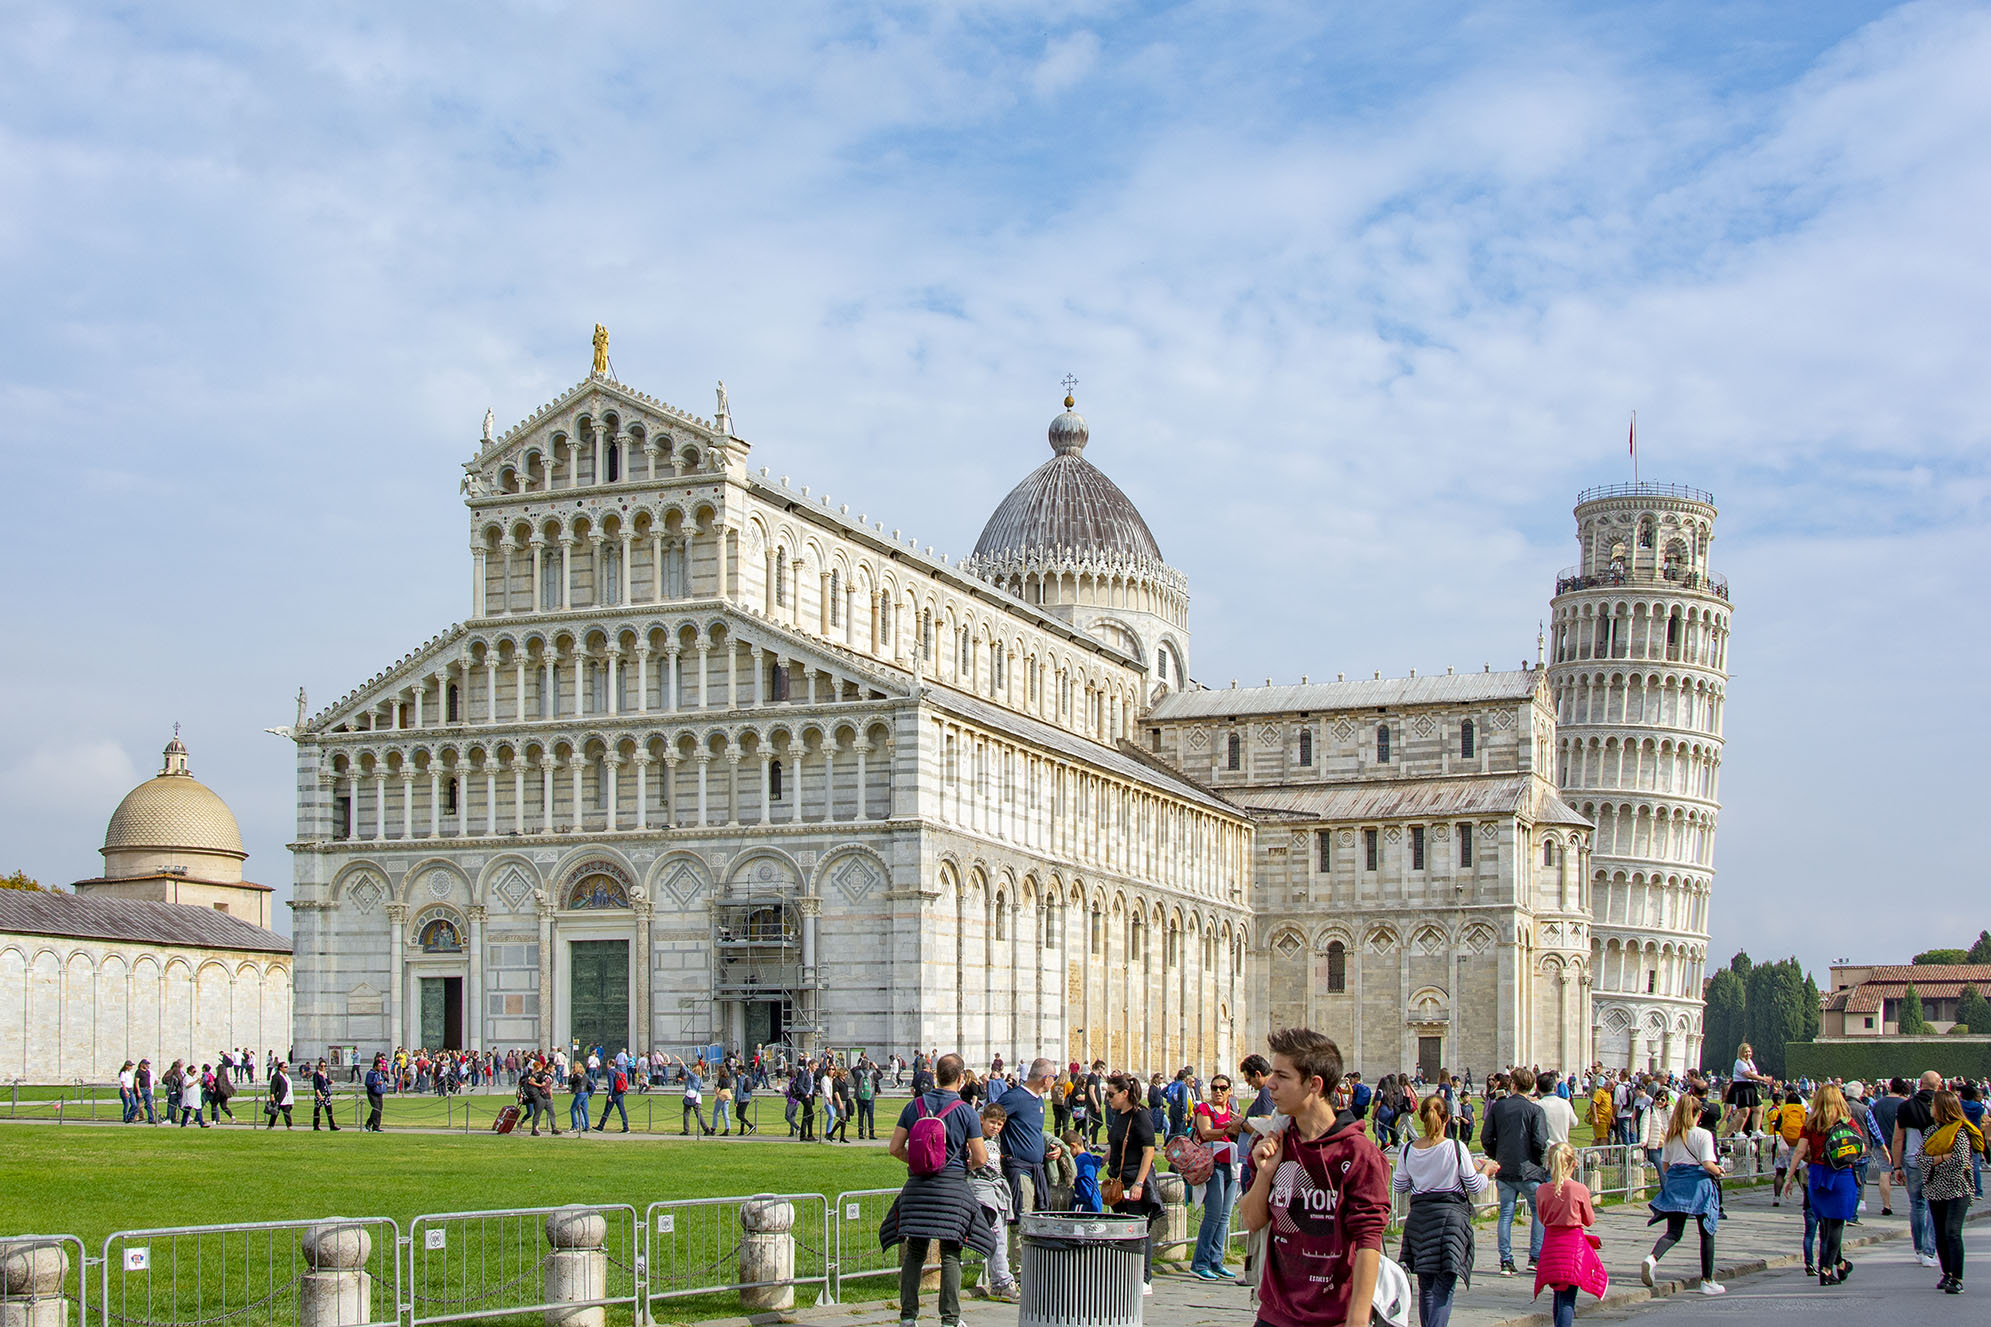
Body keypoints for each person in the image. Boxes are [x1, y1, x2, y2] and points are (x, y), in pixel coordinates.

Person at [1240, 1028, 1389, 1327]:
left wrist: (1357, 1319)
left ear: (1314, 1084)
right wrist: (1265, 1175)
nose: (1270, 1084)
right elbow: (1252, 1221)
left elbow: (1368, 1240)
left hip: (1332, 1316)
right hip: (1274, 1314)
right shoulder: (1274, 1144)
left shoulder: (1358, 1154)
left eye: (1282, 1076)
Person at [880, 1053, 997, 1327]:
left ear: (935, 1076)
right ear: (960, 1078)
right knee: (951, 1253)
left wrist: (920, 1162)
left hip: (917, 1189)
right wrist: (961, 1166)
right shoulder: (966, 1111)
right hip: (951, 1189)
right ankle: (950, 1318)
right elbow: (981, 1157)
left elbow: (895, 1148)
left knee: (915, 1252)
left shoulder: (914, 1106)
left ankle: (908, 1317)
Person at [1395, 1094, 1496, 1326]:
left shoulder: (1409, 1149)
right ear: (1448, 1118)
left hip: (1420, 1219)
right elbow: (1474, 1185)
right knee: (1444, 1287)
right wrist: (1487, 1171)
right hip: (1450, 1219)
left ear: (1420, 1117)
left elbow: (1400, 1186)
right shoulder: (1455, 1147)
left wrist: (1421, 1178)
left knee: (1426, 1287)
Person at [1640, 1091, 1725, 1295]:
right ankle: (1707, 1279)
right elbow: (1707, 1163)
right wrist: (1719, 1170)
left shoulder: (1672, 1134)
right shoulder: (1703, 1134)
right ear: (1697, 1115)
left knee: (1674, 1232)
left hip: (1676, 1183)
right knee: (1706, 1232)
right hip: (1698, 1185)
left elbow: (1666, 1165)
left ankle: (1652, 1258)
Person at [1787, 1082, 1859, 1287]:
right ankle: (1826, 1270)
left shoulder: (1811, 1124)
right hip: (1841, 1174)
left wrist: (1789, 1177)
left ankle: (1841, 1264)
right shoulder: (1847, 1123)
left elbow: (1800, 1152)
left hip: (1817, 1175)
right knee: (1836, 1225)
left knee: (1825, 1225)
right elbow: (1858, 1149)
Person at [1481, 1065, 1549, 1276]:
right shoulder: (1535, 1110)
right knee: (1538, 1213)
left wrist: (1495, 1154)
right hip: (1529, 1169)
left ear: (1513, 1085)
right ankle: (1535, 1257)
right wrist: (1536, 1160)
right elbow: (1540, 1142)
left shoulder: (1499, 1107)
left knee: (1506, 1215)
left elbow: (1486, 1137)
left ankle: (1506, 1260)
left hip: (1505, 1167)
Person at [1532, 1143, 1607, 1327]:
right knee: (1567, 1298)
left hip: (1550, 1245)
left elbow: (1541, 1219)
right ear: (1574, 1164)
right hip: (1572, 1245)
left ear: (1549, 1163)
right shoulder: (1579, 1189)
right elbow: (1589, 1219)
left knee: (1558, 1294)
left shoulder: (1541, 1190)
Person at [1103, 1072, 1163, 1296]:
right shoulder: (1119, 1115)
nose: (1108, 1099)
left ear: (1125, 1093)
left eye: (1111, 1094)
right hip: (1118, 1182)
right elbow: (1116, 1145)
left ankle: (1144, 1277)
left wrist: (1139, 1183)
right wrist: (1099, 1160)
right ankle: (1125, 1274)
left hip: (1135, 1181)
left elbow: (1149, 1151)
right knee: (1122, 1229)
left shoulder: (1141, 1116)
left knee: (1138, 1230)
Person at [1919, 1088, 1982, 1293]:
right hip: (1935, 1188)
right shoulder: (1931, 1131)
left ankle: (1958, 1278)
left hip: (1957, 1188)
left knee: (1952, 1232)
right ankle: (1946, 1273)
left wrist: (1935, 1161)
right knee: (1940, 1233)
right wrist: (1941, 1158)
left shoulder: (1959, 1131)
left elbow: (1960, 1161)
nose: (1931, 1108)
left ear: (1943, 1107)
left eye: (1933, 1105)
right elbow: (1920, 1159)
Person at [1189, 1072, 1244, 1280]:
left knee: (1224, 1215)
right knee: (1213, 1214)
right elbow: (1205, 1132)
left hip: (1230, 1164)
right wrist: (1229, 1129)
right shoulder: (1205, 1108)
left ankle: (1216, 1260)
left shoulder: (1232, 1110)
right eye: (1214, 1088)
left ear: (1230, 1090)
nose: (1218, 1092)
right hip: (1213, 1165)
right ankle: (1199, 1262)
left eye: (1222, 1088)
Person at [968, 1104, 1020, 1302]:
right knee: (996, 1232)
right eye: (992, 1122)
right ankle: (1002, 1281)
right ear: (982, 1120)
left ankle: (999, 1279)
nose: (995, 1127)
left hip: (998, 1186)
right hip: (982, 1186)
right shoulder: (974, 1138)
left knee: (1002, 1234)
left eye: (999, 1124)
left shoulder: (996, 1139)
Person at [1892, 1070, 1944, 1268]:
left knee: (1917, 1204)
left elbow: (1898, 1138)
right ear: (1938, 1085)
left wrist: (1897, 1166)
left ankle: (1919, 1248)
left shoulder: (1906, 1106)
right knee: (1934, 1205)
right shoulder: (1941, 1105)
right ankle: (1930, 1251)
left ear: (1920, 1083)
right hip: (1935, 1160)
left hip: (1912, 1161)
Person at [995, 1058, 1055, 1220]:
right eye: (1053, 1078)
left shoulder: (1039, 1100)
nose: (1053, 1082)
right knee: (1023, 1222)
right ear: (1045, 1078)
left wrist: (1053, 1147)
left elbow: (1034, 1131)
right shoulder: (1014, 1097)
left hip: (1037, 1169)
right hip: (1020, 1169)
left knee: (1040, 1221)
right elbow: (988, 1118)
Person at [1536, 1073, 1578, 1148]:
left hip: (1545, 1150)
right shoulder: (1565, 1104)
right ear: (1555, 1088)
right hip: (1563, 1148)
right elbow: (1574, 1122)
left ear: (1538, 1089)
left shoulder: (1536, 1105)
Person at [596, 1060, 631, 1133]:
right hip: (620, 1093)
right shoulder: (618, 1071)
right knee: (622, 1110)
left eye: (608, 1064)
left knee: (607, 1110)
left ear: (610, 1064)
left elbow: (611, 1085)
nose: (607, 1065)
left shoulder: (610, 1072)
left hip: (614, 1093)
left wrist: (610, 1095)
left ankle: (600, 1126)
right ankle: (626, 1127)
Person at [311, 1059, 342, 1130]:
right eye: (321, 1066)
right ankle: (316, 1125)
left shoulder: (325, 1074)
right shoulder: (316, 1075)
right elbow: (316, 1086)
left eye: (324, 1066)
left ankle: (332, 1125)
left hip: (326, 1094)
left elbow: (326, 1082)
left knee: (329, 1110)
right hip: (320, 1094)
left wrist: (330, 1082)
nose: (323, 1068)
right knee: (317, 1110)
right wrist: (319, 1095)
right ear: (319, 1066)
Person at [265, 1060, 295, 1128]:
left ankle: (289, 1126)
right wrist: (272, 1095)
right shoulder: (276, 1076)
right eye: (285, 1067)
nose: (286, 1068)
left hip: (287, 1097)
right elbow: (273, 1087)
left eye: (287, 1067)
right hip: (280, 1097)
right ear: (280, 1068)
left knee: (287, 1112)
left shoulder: (287, 1076)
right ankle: (270, 1126)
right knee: (275, 1113)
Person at [364, 1054, 389, 1132]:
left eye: (381, 1066)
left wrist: (386, 1078)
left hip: (379, 1092)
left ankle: (376, 1126)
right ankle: (369, 1123)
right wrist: (376, 1083)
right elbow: (367, 1083)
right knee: (376, 1109)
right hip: (372, 1093)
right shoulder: (370, 1073)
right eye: (379, 1066)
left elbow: (385, 1081)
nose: (381, 1068)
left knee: (379, 1109)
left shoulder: (380, 1073)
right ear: (375, 1066)